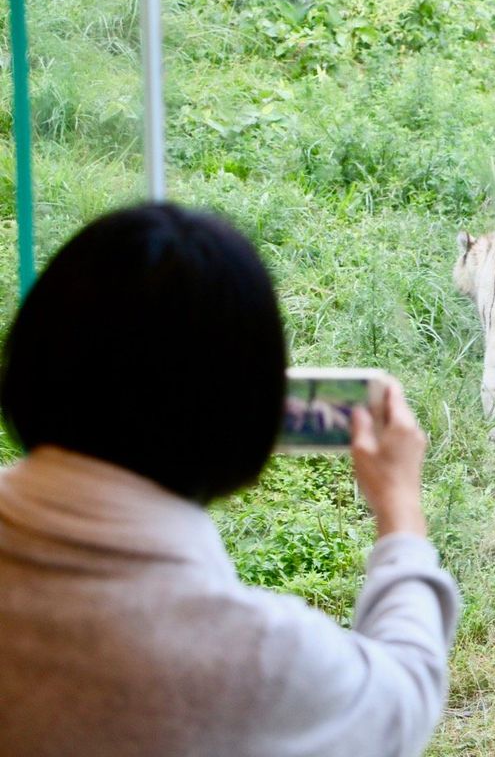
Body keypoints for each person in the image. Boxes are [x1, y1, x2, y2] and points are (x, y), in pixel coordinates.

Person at [0, 203, 459, 757]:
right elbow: (404, 694)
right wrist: (401, 511)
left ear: (31, 357)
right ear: (248, 420)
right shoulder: (256, 660)